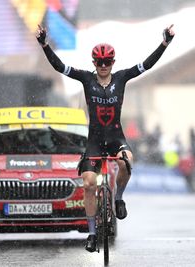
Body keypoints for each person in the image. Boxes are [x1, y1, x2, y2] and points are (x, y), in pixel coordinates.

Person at [36, 23, 175, 252]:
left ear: (113, 63)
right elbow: (59, 66)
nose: (103, 66)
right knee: (89, 184)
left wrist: (165, 43)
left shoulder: (121, 78)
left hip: (116, 137)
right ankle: (91, 233)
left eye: (107, 62)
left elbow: (147, 65)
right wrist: (44, 45)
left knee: (126, 161)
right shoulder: (85, 79)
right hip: (94, 141)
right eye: (99, 62)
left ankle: (119, 197)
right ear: (94, 63)